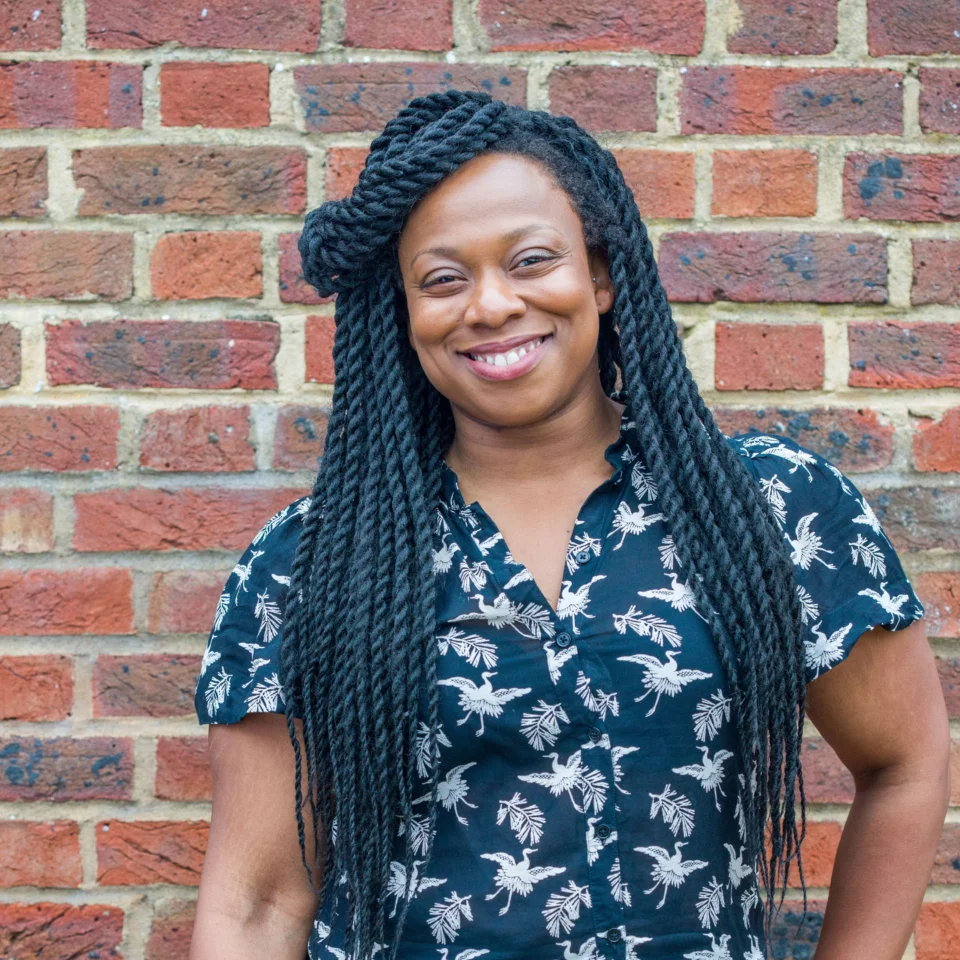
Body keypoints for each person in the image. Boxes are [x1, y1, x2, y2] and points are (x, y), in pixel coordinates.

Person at [189, 91, 949, 960]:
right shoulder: (311, 563)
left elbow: (905, 765)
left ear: (600, 273)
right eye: (443, 279)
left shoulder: (766, 509)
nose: (491, 305)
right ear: (401, 315)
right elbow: (255, 902)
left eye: (530, 260)